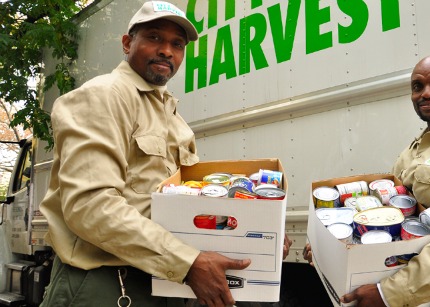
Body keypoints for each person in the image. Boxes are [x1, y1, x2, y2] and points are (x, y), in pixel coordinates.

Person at [39, 2, 290, 307]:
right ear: (128, 43)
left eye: (177, 44)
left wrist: (259, 232)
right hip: (106, 285)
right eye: (154, 38)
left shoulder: (172, 115)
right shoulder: (103, 96)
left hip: (162, 280)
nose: (167, 51)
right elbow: (90, 206)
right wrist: (186, 262)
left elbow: (190, 204)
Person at [304, 55, 430, 306]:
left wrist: (389, 294)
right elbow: (386, 223)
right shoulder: (412, 152)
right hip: (420, 284)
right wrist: (327, 248)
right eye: (417, 86)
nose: (426, 93)